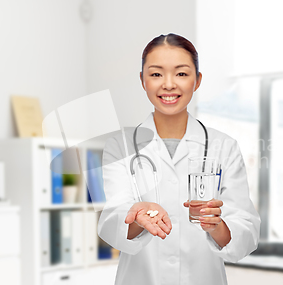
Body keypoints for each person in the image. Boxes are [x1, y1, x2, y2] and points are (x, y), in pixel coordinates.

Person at [97, 33, 260, 285]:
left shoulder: (223, 147)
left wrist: (216, 225)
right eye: (156, 74)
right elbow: (111, 222)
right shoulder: (120, 146)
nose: (169, 84)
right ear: (142, 80)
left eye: (181, 74)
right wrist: (136, 218)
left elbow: (247, 229)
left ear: (197, 80)